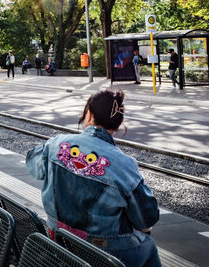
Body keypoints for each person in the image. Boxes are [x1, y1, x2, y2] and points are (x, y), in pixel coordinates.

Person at [26, 90, 161, 267]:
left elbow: (31, 162)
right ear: (118, 124)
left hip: (59, 240)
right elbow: (146, 219)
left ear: (89, 114)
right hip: (105, 253)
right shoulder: (125, 165)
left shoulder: (56, 144)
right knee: (147, 245)